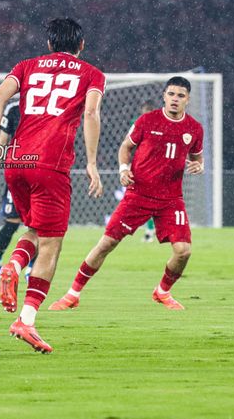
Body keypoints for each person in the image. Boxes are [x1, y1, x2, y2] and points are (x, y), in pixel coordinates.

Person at [0, 18, 105, 353]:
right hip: (51, 165)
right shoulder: (91, 74)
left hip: (16, 164)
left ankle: (14, 264)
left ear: (49, 44)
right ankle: (27, 319)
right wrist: (92, 163)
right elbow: (91, 115)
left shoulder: (26, 66)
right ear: (82, 45)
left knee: (34, 231)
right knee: (52, 245)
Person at [49, 76, 204, 311]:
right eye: (171, 94)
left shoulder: (194, 128)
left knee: (184, 252)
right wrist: (123, 169)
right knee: (106, 244)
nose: (175, 99)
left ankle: (162, 291)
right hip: (139, 194)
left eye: (180, 96)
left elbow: (196, 158)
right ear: (164, 96)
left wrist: (199, 165)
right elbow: (125, 147)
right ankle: (72, 294)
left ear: (187, 100)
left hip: (171, 199)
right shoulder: (146, 121)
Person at [0, 101, 32, 281]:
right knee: (12, 222)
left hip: (40, 172)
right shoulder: (13, 109)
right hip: (18, 172)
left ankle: (31, 268)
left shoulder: (46, 106)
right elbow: (2, 142)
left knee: (36, 224)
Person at [139, 100, 156, 243]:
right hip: (142, 169)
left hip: (157, 171)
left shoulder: (160, 126)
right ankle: (150, 229)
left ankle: (151, 230)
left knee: (152, 202)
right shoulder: (138, 125)